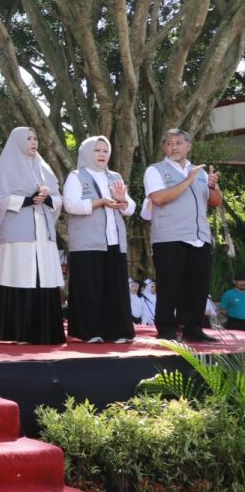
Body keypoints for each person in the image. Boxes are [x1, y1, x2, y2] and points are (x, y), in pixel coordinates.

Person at [144, 129, 222, 342]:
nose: (174, 147)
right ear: (164, 148)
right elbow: (158, 198)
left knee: (197, 286)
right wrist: (187, 181)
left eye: (179, 142)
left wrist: (212, 186)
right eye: (169, 143)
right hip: (170, 237)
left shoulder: (200, 172)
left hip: (199, 236)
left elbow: (215, 202)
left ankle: (193, 329)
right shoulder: (155, 170)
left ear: (189, 146)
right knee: (170, 285)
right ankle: (167, 329)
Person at [0, 127, 64, 345]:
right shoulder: (6, 166)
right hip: (17, 232)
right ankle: (18, 331)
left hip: (43, 230)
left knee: (43, 277)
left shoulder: (44, 167)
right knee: (20, 275)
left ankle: (46, 332)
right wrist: (28, 200)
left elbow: (58, 197)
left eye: (35, 138)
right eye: (28, 138)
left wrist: (46, 198)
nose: (33, 142)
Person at [62, 136, 137, 344]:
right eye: (97, 150)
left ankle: (118, 331)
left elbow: (130, 208)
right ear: (86, 153)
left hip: (113, 241)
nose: (102, 154)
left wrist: (122, 200)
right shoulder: (76, 176)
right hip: (87, 242)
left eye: (105, 150)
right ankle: (88, 331)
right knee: (89, 287)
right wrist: (101, 202)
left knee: (115, 287)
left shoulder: (115, 176)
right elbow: (71, 205)